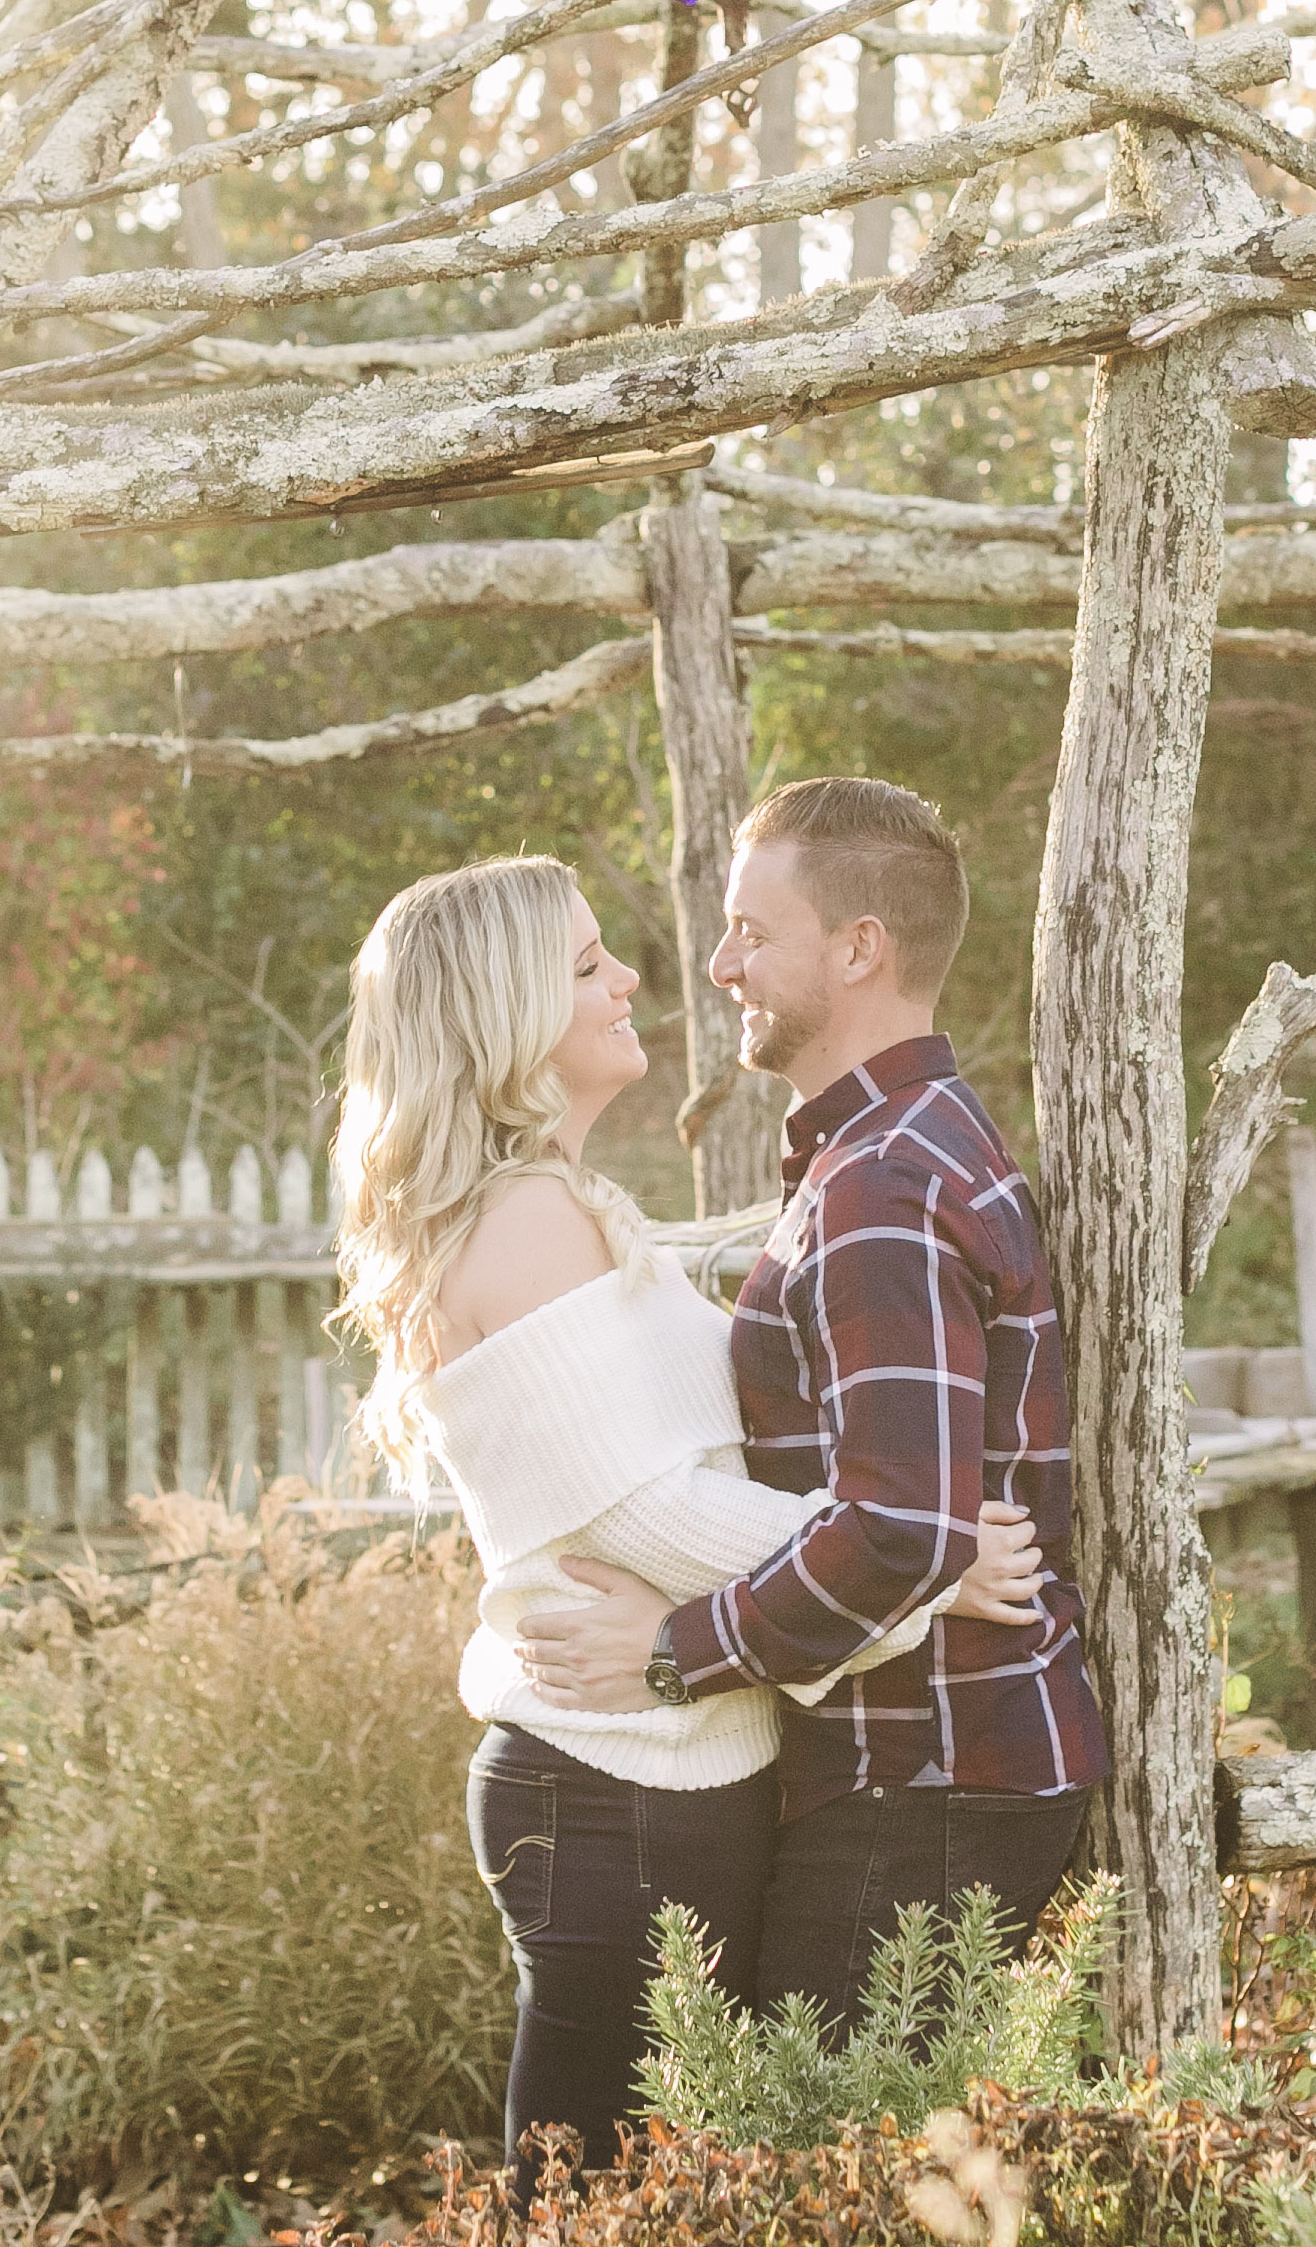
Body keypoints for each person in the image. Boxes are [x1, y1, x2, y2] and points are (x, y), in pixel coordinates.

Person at [330, 855, 1051, 2196]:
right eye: (585, 965)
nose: (630, 980)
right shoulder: (525, 1222)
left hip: (658, 1780)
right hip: (612, 1793)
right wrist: (923, 1571)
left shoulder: (562, 1208)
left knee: (653, 2188)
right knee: (590, 2197)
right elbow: (650, 1509)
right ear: (502, 1015)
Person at [511, 777, 1100, 2026]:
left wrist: (673, 1653)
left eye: (751, 933)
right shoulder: (889, 1151)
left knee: (823, 2140)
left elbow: (902, 1533)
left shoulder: (882, 1185)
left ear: (858, 949)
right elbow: (911, 1511)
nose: (720, 965)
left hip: (925, 1773)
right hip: (926, 1766)